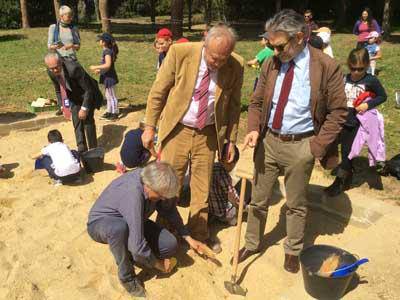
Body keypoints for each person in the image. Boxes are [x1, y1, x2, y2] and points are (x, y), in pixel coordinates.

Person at [240, 9, 348, 273]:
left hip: (302, 145)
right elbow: (255, 101)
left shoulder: (326, 66)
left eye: (279, 46)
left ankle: (293, 249)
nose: (274, 52)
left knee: (296, 204)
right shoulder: (270, 63)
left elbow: (338, 112)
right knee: (258, 199)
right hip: (268, 141)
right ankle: (252, 242)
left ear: (299, 37)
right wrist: (254, 128)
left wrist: (315, 147)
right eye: (271, 45)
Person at [142, 24, 244, 251]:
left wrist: (230, 140)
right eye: (214, 57)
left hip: (208, 131)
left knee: (202, 185)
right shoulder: (180, 53)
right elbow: (158, 91)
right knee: (170, 182)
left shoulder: (236, 65)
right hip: (178, 127)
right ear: (204, 43)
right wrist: (149, 126)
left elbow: (234, 106)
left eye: (223, 59)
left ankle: (199, 232)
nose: (217, 63)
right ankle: (165, 231)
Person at [87, 161, 207, 297]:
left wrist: (188, 238)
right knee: (119, 229)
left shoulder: (155, 184)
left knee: (169, 244)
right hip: (102, 223)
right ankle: (127, 277)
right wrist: (160, 265)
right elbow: (137, 246)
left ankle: (132, 251)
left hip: (133, 220)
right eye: (161, 196)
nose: (162, 199)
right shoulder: (133, 193)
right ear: (149, 187)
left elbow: (170, 210)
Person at [325, 48, 387, 197]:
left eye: (360, 69)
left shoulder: (371, 80)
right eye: (353, 69)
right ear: (348, 65)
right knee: (334, 147)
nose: (356, 72)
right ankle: (348, 171)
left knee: (347, 152)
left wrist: (368, 105)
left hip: (356, 124)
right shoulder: (344, 79)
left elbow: (382, 96)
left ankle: (341, 181)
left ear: (366, 66)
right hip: (340, 120)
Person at [45, 53, 103, 153]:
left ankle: (93, 149)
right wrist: (64, 107)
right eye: (51, 68)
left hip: (88, 93)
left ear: (61, 63)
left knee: (87, 120)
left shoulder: (74, 69)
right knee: (76, 120)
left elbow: (88, 90)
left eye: (56, 67)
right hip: (74, 96)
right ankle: (81, 148)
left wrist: (84, 108)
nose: (55, 70)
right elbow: (59, 90)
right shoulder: (51, 72)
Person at [47, 5, 81, 116]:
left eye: (71, 15)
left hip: (71, 60)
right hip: (58, 61)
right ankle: (62, 107)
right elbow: (49, 45)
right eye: (68, 15)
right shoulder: (53, 28)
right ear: (61, 16)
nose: (70, 17)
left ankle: (73, 105)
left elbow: (78, 46)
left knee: (70, 84)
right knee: (59, 85)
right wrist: (56, 46)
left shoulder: (74, 28)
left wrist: (71, 46)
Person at [208, 143, 240, 226]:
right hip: (223, 213)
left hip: (210, 209)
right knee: (245, 188)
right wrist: (244, 207)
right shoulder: (224, 175)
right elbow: (235, 198)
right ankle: (231, 219)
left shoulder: (212, 167)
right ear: (233, 163)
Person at [90, 33, 120, 121]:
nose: (99, 41)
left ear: (104, 42)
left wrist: (96, 67)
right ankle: (109, 111)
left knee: (112, 96)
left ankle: (115, 113)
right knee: (108, 95)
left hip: (110, 78)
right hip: (107, 76)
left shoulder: (107, 51)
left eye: (100, 40)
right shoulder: (107, 50)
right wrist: (100, 71)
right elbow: (107, 66)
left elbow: (107, 65)